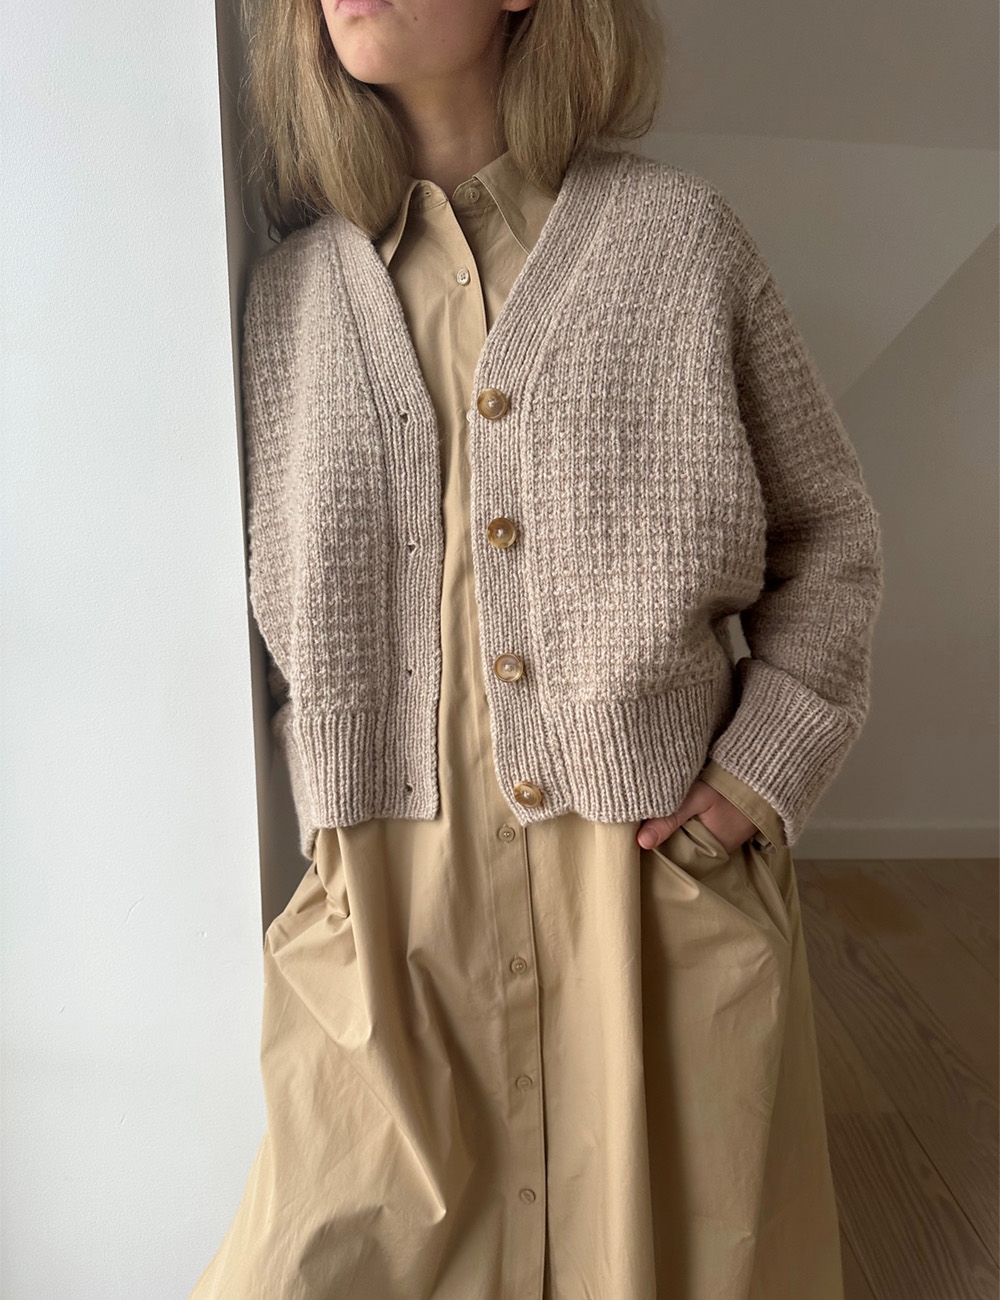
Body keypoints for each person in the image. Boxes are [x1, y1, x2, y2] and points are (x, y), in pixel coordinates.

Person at [190, 0, 884, 1295]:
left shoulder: (679, 246)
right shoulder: (287, 296)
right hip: (393, 910)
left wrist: (754, 775)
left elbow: (830, 538)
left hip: (644, 900)